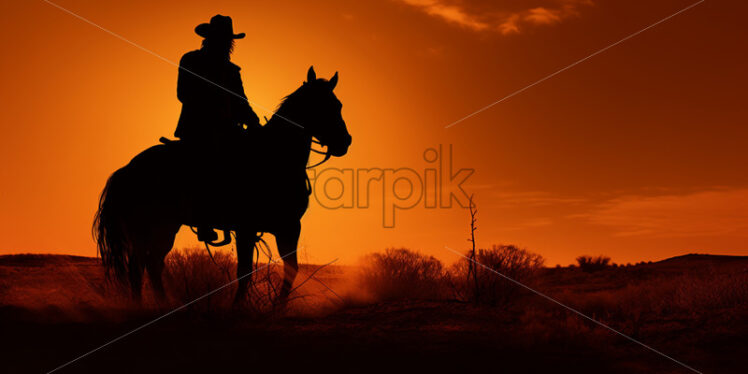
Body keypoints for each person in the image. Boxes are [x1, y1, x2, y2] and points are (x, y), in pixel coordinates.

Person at [175, 14, 260, 242]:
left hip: (228, 128)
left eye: (227, 40)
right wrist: (213, 109)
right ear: (209, 38)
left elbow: (241, 99)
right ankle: (204, 219)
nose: (225, 44)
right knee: (209, 160)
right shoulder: (191, 60)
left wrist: (252, 120)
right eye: (221, 39)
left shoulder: (232, 71)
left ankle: (248, 213)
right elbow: (183, 94)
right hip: (198, 127)